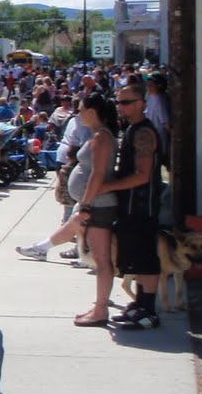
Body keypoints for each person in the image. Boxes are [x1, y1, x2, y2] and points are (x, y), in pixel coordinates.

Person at [18, 94, 119, 327]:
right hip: (93, 202)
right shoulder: (97, 135)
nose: (78, 114)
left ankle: (101, 309)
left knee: (101, 259)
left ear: (92, 112)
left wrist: (86, 203)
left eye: (81, 110)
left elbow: (97, 173)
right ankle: (100, 304)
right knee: (96, 255)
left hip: (99, 204)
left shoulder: (102, 137)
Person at [98, 80, 166, 329]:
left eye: (126, 102)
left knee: (146, 257)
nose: (121, 106)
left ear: (141, 103)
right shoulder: (132, 129)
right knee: (135, 257)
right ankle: (139, 304)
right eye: (119, 101)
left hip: (142, 206)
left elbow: (143, 175)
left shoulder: (144, 132)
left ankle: (149, 310)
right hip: (129, 206)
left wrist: (108, 186)